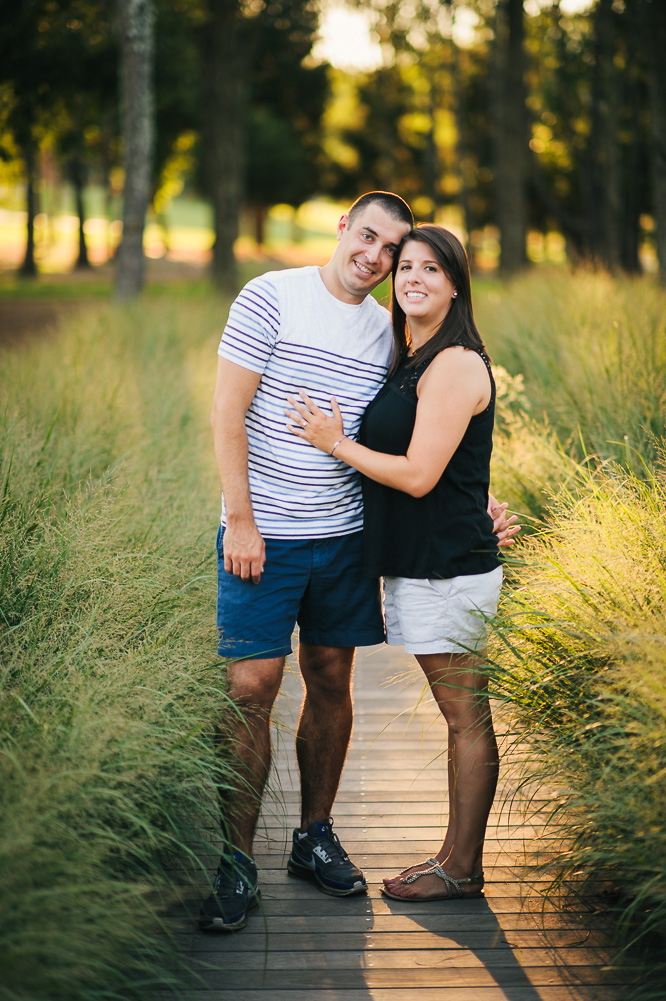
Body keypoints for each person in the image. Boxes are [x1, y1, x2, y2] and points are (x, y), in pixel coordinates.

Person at [202, 197, 517, 932]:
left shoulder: (392, 333)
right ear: (344, 227)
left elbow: (424, 435)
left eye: (401, 254)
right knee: (250, 684)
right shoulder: (271, 295)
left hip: (345, 539)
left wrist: (479, 496)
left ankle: (314, 835)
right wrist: (240, 519)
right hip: (265, 535)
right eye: (373, 240)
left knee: (332, 679)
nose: (380, 259)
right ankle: (235, 859)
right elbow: (226, 409)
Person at [286, 224, 510, 903]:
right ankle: (451, 857)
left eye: (430, 270)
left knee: (466, 714)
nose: (411, 277)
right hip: (426, 562)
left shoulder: (455, 362)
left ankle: (461, 868)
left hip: (449, 566)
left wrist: (335, 443)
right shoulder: (415, 354)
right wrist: (483, 495)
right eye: (404, 266)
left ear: (455, 284)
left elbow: (416, 474)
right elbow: (450, 460)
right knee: (461, 712)